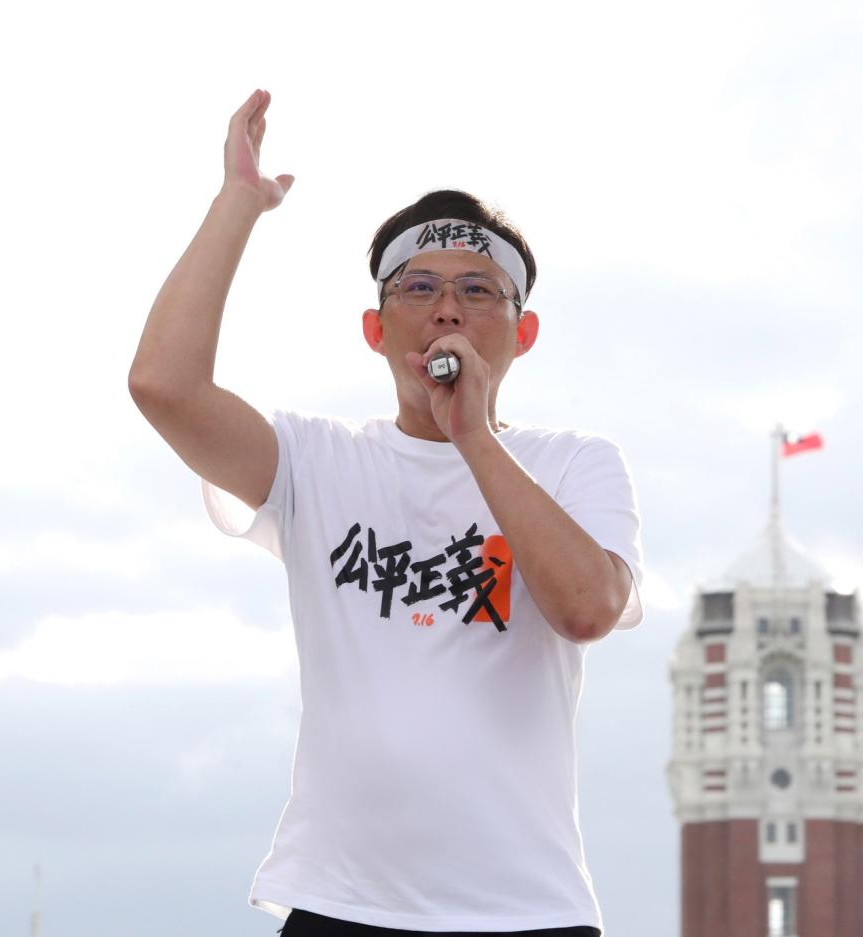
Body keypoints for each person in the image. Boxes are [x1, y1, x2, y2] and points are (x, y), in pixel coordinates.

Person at [129, 89, 643, 937]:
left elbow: (588, 607)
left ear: (523, 332)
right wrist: (239, 202)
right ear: (375, 328)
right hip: (341, 904)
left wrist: (472, 435)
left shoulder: (575, 464)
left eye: (479, 290)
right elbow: (163, 385)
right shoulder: (317, 460)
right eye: (420, 287)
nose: (448, 308)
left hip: (526, 910)